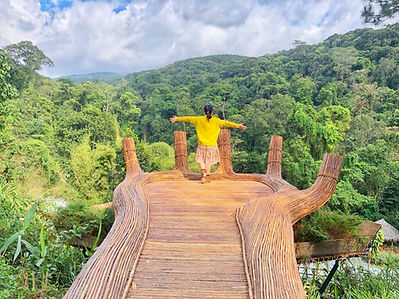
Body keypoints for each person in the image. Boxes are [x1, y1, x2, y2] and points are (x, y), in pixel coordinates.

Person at [170, 104, 247, 183]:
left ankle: (203, 172)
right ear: (212, 112)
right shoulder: (217, 121)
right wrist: (238, 126)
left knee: (201, 160)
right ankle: (205, 176)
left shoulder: (198, 119)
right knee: (208, 162)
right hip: (212, 146)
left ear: (204, 112)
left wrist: (177, 119)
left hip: (201, 145)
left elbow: (188, 119)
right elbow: (227, 123)